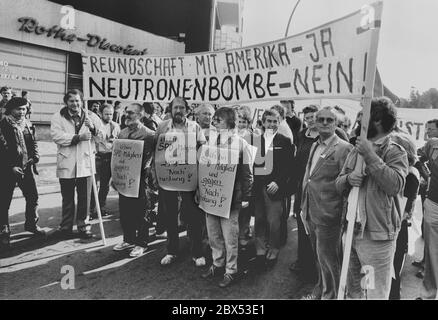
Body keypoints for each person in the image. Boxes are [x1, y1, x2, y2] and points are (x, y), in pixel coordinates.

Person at [336, 97, 408, 299]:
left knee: (374, 293)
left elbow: (395, 185)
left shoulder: (394, 151)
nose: (358, 124)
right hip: (350, 231)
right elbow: (338, 184)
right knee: (354, 290)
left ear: (376, 120)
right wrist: (349, 179)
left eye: (362, 118)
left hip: (375, 238)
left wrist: (370, 155)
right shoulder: (355, 150)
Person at [301, 107, 353, 299]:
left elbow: (346, 186)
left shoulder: (344, 148)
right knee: (318, 257)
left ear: (336, 123)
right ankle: (321, 288)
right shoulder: (315, 145)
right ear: (314, 122)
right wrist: (302, 205)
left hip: (329, 214)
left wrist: (342, 216)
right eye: (320, 119)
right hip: (310, 210)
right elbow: (310, 177)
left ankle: (331, 295)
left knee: (330, 260)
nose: (324, 123)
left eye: (329, 120)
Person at [200, 106, 253, 287]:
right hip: (211, 197)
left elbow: (247, 174)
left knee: (230, 237)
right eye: (214, 119)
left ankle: (231, 270)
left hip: (231, 200)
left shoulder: (241, 144)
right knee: (214, 235)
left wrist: (246, 197)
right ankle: (217, 263)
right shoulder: (210, 142)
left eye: (219, 120)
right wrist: (201, 191)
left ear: (230, 122)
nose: (214, 122)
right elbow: (203, 170)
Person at [154, 97, 206, 267]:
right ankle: (172, 250)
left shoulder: (194, 127)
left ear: (187, 110)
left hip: (189, 179)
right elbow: (156, 150)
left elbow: (202, 150)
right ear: (170, 109)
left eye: (181, 107)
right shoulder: (162, 126)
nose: (178, 110)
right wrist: (155, 174)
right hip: (168, 179)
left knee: (193, 216)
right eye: (175, 107)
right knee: (170, 216)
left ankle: (197, 251)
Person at [50, 89, 102, 239]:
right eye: (71, 101)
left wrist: (93, 128)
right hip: (67, 161)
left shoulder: (91, 116)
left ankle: (83, 227)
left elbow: (102, 137)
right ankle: (66, 226)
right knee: (67, 197)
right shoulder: (58, 117)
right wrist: (78, 137)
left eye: (78, 100)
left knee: (85, 197)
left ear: (82, 101)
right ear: (66, 102)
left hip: (86, 162)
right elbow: (57, 137)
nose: (75, 104)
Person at [253, 109, 295, 269]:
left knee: (274, 222)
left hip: (274, 189)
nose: (271, 124)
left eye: (275, 121)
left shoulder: (284, 141)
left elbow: (288, 167)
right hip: (257, 187)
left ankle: (274, 249)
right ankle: (260, 250)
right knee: (259, 219)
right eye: (268, 121)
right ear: (263, 122)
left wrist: (278, 182)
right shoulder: (255, 140)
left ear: (279, 122)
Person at [0, 97, 44, 248]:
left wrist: (35, 156)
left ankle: (31, 224)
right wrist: (11, 166)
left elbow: (34, 142)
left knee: (32, 197)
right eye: (18, 109)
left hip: (26, 167)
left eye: (24, 109)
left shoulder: (28, 124)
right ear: (11, 109)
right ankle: (4, 231)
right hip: (7, 170)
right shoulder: (3, 125)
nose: (21, 112)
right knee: (4, 201)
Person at [112, 103, 155, 257]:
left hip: (141, 179)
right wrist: (114, 176)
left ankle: (141, 243)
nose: (127, 115)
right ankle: (128, 239)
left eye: (131, 112)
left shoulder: (149, 134)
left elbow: (156, 157)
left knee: (141, 211)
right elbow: (117, 157)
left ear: (140, 115)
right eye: (126, 112)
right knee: (125, 211)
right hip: (124, 178)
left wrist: (151, 172)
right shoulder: (122, 133)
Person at [388, 133, 420, 300]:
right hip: (389, 229)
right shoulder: (401, 172)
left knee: (392, 277)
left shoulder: (410, 175)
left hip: (395, 231)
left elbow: (400, 212)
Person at [90, 103, 120, 219]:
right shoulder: (96, 125)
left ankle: (101, 207)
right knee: (94, 185)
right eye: (106, 114)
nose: (109, 116)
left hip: (109, 158)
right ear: (100, 114)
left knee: (105, 185)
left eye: (111, 114)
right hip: (97, 157)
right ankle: (91, 209)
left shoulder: (115, 126)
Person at [418, 130, 438, 299]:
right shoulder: (432, 143)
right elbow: (417, 159)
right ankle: (428, 294)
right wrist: (427, 176)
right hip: (434, 203)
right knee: (432, 251)